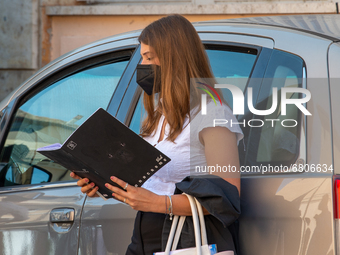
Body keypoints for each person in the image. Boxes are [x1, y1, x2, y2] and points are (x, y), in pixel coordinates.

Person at [70, 14, 243, 255]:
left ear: (175, 59)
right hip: (145, 236)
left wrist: (158, 203)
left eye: (149, 58)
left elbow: (227, 196)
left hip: (188, 239)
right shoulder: (158, 116)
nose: (142, 67)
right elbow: (150, 184)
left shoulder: (213, 113)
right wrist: (103, 183)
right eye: (142, 58)